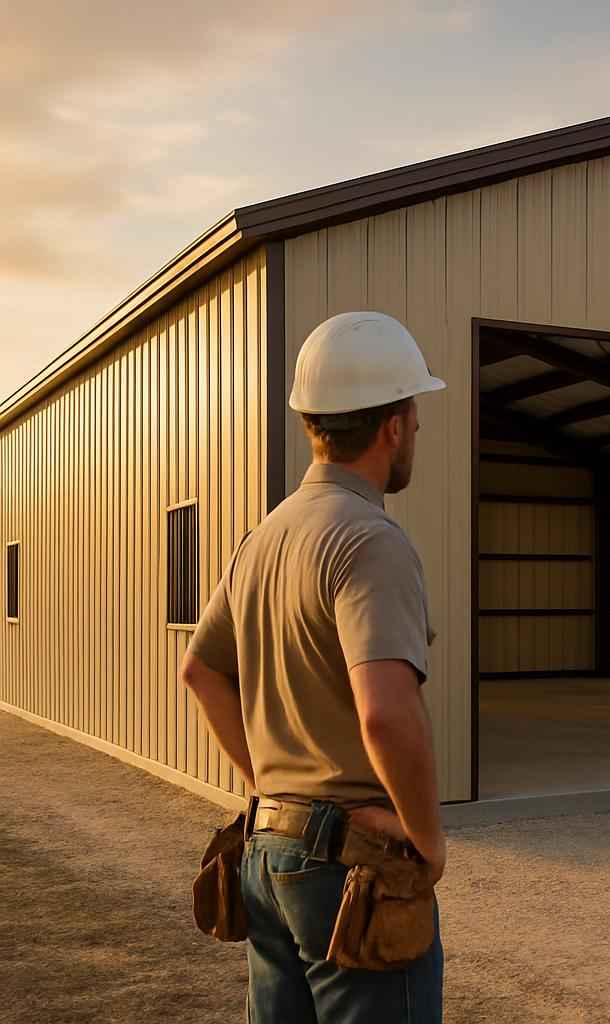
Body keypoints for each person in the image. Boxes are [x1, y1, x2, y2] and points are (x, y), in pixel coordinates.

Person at [180, 311, 448, 1023]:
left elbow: (200, 673)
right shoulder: (372, 540)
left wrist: (274, 792)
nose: (417, 431)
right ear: (393, 426)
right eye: (415, 416)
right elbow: (387, 711)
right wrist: (426, 840)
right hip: (351, 872)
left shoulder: (262, 538)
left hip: (267, 856)